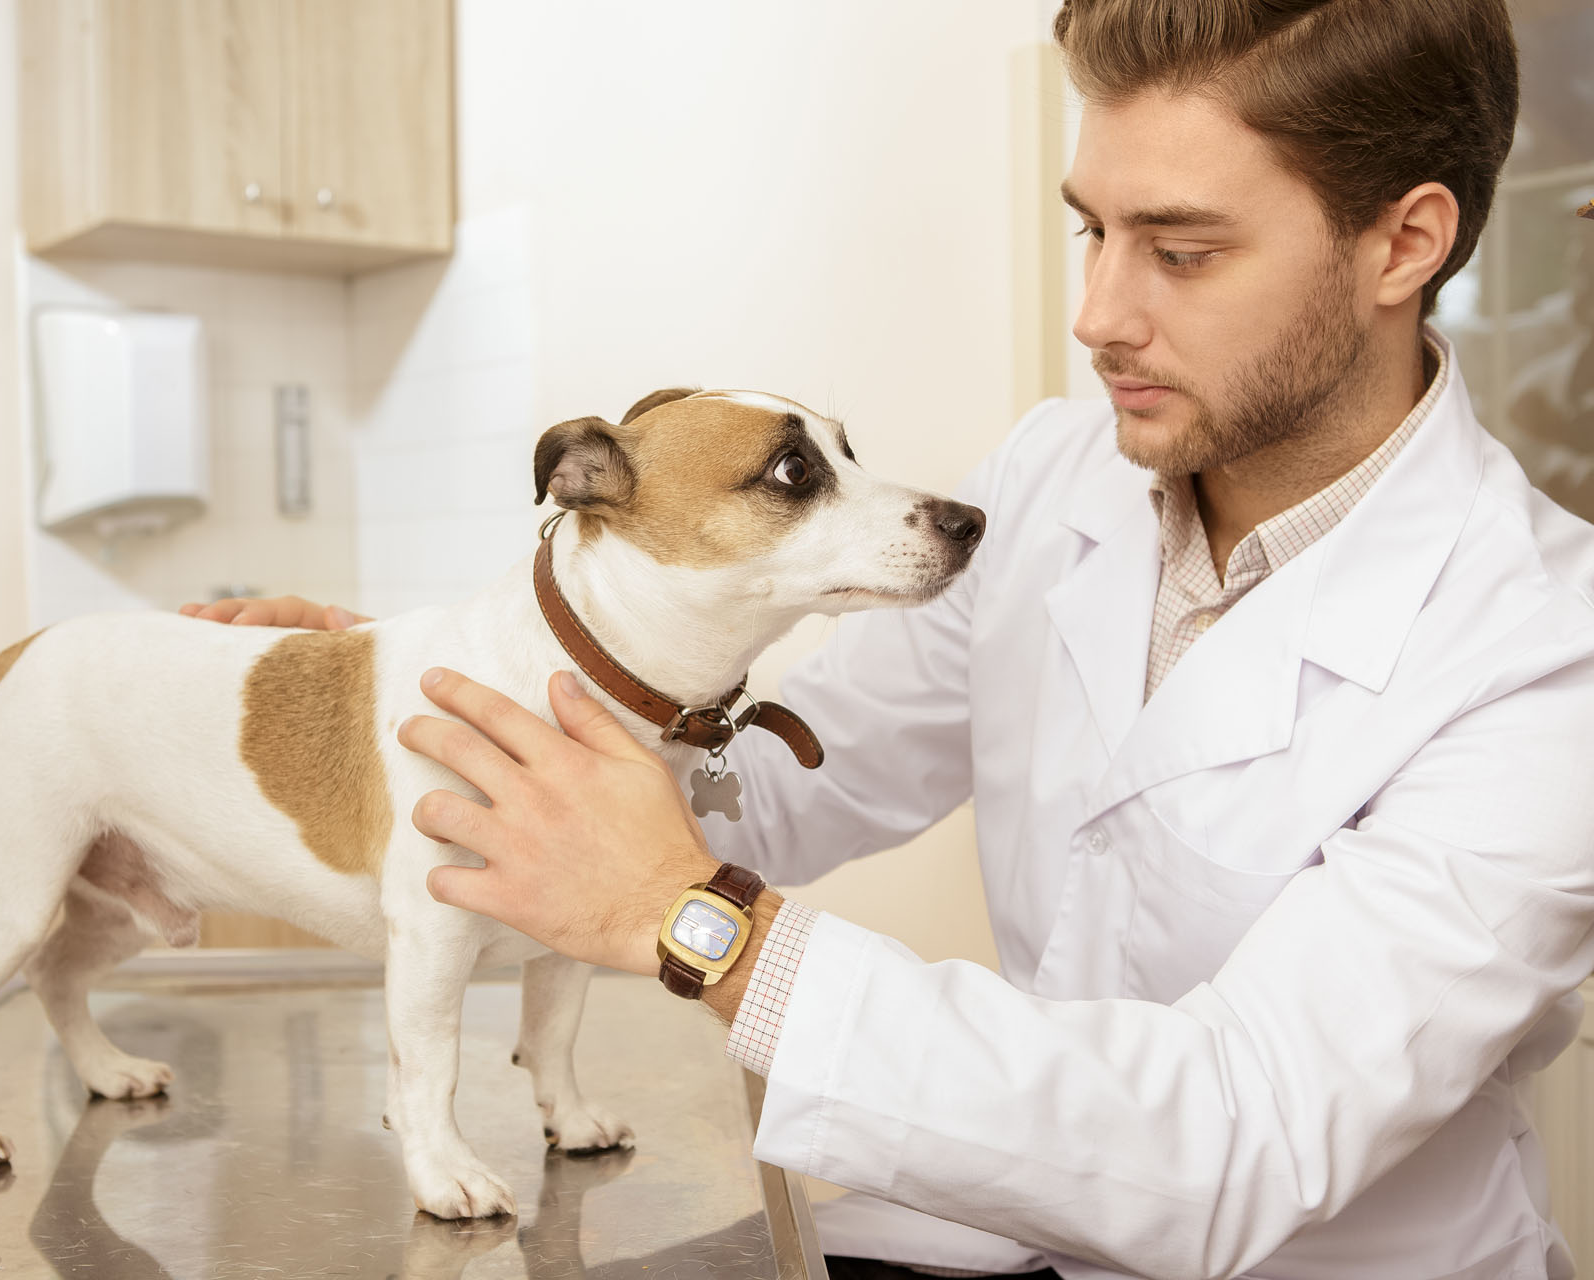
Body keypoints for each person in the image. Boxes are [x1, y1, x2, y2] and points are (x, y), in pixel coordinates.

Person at [186, 2, 1594, 1276]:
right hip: (1005, 1234)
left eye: (1179, 250)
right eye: (1090, 232)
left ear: (1403, 244)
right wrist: (437, 689)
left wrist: (700, 932)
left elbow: (1237, 1139)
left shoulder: (1544, 649)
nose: (1100, 315)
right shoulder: (1060, 479)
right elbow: (796, 780)